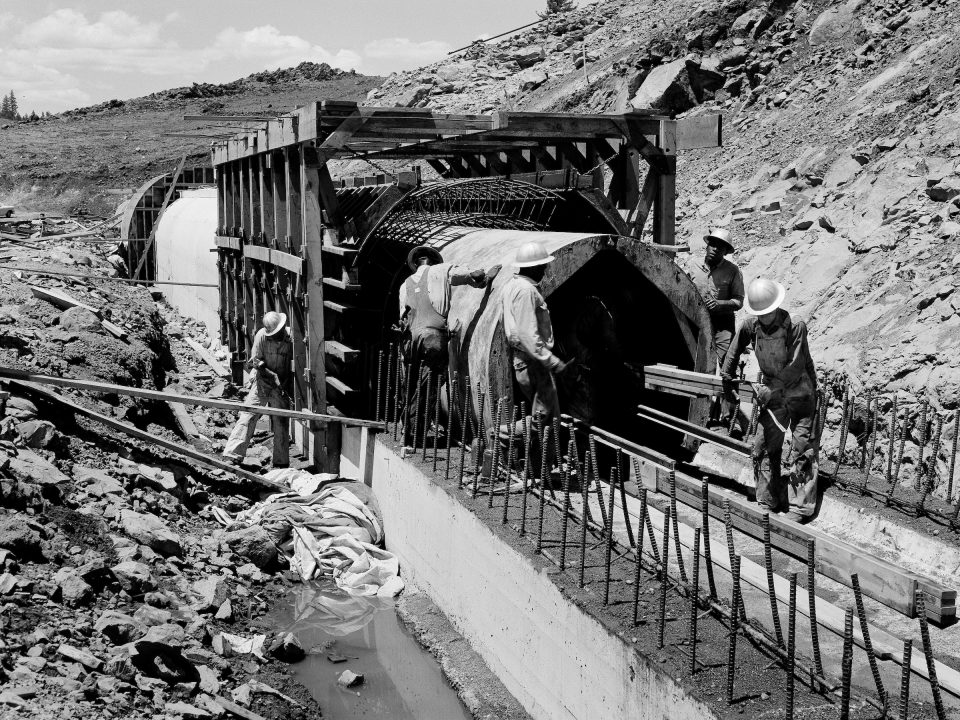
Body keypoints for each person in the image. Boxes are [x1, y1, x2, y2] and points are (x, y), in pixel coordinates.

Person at [721, 278, 818, 522]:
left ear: (776, 306)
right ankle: (768, 498)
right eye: (760, 314)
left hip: (800, 392)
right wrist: (726, 377)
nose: (764, 318)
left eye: (768, 313)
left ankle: (800, 508)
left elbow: (795, 366)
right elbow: (734, 350)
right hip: (774, 395)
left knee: (802, 446)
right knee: (762, 444)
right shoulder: (751, 325)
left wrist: (768, 389)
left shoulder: (795, 325)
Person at [398, 246, 499, 445]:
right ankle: (416, 435)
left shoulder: (404, 285)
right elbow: (471, 275)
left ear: (416, 263)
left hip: (409, 340)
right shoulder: (441, 270)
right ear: (433, 261)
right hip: (433, 338)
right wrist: (485, 277)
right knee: (429, 385)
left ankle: (405, 431)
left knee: (409, 385)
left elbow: (403, 316)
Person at [501, 241, 573, 471]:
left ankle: (538, 468)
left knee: (545, 416)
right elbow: (527, 333)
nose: (545, 270)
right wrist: (552, 362)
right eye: (542, 265)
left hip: (525, 360)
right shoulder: (525, 291)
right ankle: (501, 436)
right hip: (533, 362)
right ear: (531, 267)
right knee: (545, 417)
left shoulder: (512, 285)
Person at [223, 310, 293, 468]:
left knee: (281, 422)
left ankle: (281, 464)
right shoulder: (262, 335)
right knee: (248, 415)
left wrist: (283, 383)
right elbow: (256, 362)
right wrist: (272, 375)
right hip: (262, 382)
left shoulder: (290, 338)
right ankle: (232, 455)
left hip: (281, 387)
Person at [689, 228, 744, 426]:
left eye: (720, 248)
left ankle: (729, 417)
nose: (714, 250)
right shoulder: (693, 265)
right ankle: (697, 413)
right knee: (695, 363)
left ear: (725, 252)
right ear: (707, 245)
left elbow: (739, 301)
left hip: (723, 324)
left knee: (727, 367)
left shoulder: (732, 271)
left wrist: (721, 304)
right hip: (696, 321)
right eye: (712, 244)